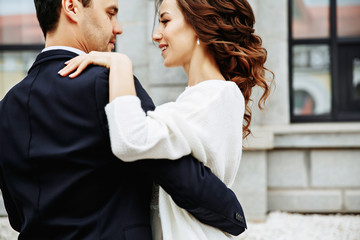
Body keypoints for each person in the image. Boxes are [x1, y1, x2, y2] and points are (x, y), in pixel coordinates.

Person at [0, 0, 247, 239]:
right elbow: (182, 178)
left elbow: (17, 216)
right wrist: (233, 214)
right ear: (72, 7)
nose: (118, 27)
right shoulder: (109, 83)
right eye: (110, 13)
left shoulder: (7, 107)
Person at [60, 0, 272, 239]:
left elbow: (131, 140)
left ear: (199, 26)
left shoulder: (216, 95)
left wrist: (120, 63)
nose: (156, 35)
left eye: (165, 21)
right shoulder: (199, 98)